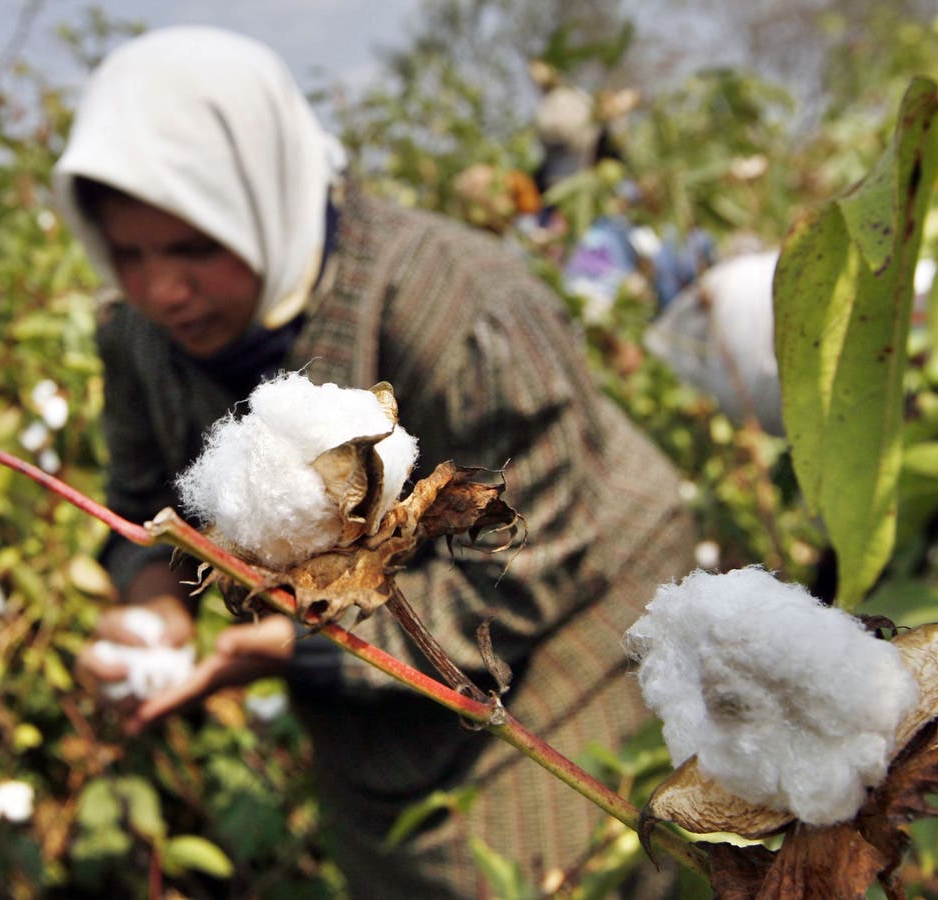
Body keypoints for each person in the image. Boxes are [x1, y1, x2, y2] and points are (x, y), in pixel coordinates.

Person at [54, 26, 695, 897]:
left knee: (531, 869)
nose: (162, 290)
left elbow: (526, 554)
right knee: (387, 859)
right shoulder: (137, 340)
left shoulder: (455, 303)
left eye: (195, 249)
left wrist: (297, 645)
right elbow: (138, 503)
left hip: (577, 603)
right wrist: (155, 609)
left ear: (264, 201)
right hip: (360, 650)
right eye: (128, 254)